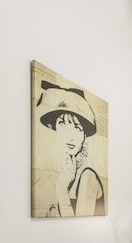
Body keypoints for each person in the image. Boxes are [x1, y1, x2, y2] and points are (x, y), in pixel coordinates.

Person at [36, 81, 105, 217]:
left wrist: (62, 190)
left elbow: (80, 228)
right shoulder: (63, 172)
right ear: (54, 127)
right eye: (62, 124)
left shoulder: (87, 176)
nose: (70, 136)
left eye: (77, 128)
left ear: (84, 134)